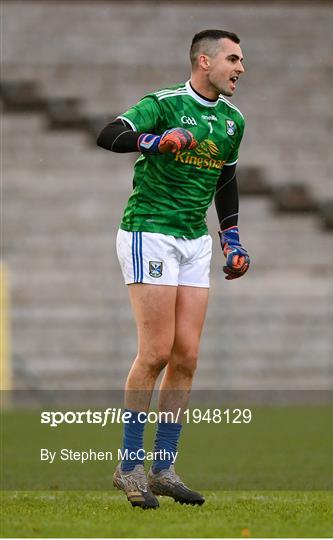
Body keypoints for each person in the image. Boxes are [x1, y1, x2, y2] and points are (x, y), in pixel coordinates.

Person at [97, 29, 250, 509]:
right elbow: (108, 134)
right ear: (204, 62)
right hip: (150, 230)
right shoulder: (163, 103)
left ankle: (162, 467)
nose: (240, 68)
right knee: (156, 352)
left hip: (194, 241)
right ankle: (128, 466)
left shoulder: (232, 121)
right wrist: (155, 140)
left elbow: (226, 180)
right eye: (233, 58)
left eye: (241, 60)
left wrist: (233, 239)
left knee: (186, 357)